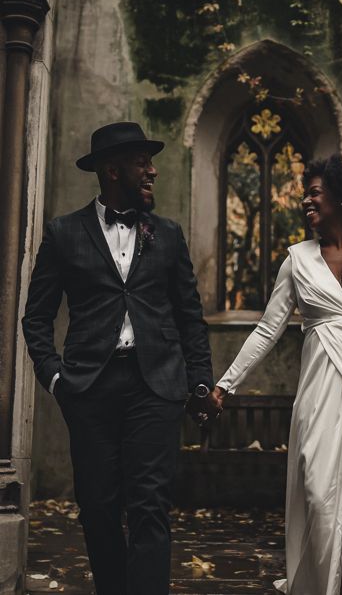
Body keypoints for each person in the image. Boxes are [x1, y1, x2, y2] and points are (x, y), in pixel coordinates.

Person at [22, 122, 219, 595]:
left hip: (156, 388)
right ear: (112, 170)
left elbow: (191, 318)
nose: (152, 171)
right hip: (89, 388)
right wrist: (56, 381)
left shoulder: (168, 235)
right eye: (141, 162)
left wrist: (198, 382)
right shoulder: (64, 233)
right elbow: (36, 318)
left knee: (151, 505)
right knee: (97, 507)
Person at [213, 153, 342, 595]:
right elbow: (267, 330)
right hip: (321, 385)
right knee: (322, 502)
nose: (306, 201)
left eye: (314, 193)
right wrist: (224, 384)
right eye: (305, 194)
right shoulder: (297, 260)